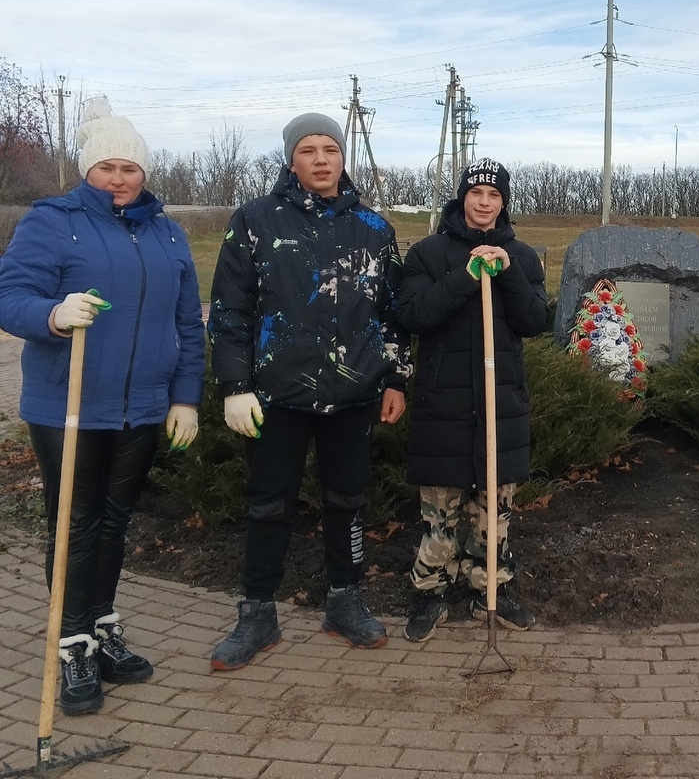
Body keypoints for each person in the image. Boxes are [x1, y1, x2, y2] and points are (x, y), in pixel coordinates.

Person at [0, 99, 204, 714]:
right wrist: (52, 316)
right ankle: (72, 642)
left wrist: (185, 399)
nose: (119, 178)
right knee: (76, 524)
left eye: (130, 167)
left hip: (142, 406)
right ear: (88, 168)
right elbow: (10, 295)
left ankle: (102, 624)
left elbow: (186, 324)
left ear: (144, 171)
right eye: (106, 166)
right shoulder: (51, 220)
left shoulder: (166, 230)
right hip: (69, 403)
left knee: (116, 521)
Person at [206, 112, 412, 670]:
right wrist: (234, 386)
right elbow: (229, 311)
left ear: (343, 158)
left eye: (330, 149)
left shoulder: (373, 228)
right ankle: (257, 615)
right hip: (278, 397)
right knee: (269, 505)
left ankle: (344, 601)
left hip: (355, 396)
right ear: (290, 159)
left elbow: (392, 315)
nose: (321, 159)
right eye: (308, 150)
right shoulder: (254, 222)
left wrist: (396, 377)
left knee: (347, 501)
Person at [396, 158, 548, 642]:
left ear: (504, 202)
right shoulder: (427, 253)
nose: (484, 202)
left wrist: (506, 273)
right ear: (461, 197)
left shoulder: (522, 257)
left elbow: (534, 320)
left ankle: (493, 590)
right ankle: (431, 593)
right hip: (445, 404)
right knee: (440, 513)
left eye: (495, 195)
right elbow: (415, 314)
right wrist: (465, 275)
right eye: (476, 192)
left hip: (502, 404)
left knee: (495, 513)